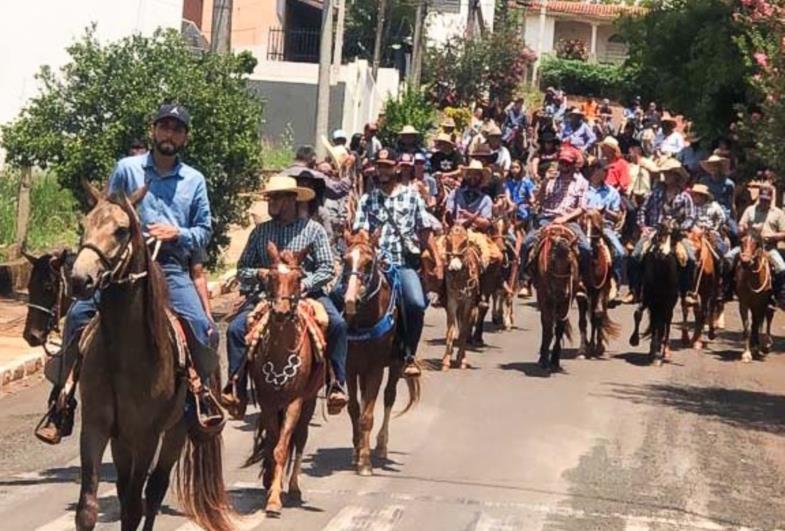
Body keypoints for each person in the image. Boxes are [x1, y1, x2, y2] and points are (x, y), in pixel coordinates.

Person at [36, 103, 215, 444]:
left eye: (177, 129)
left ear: (185, 138)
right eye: (164, 127)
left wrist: (177, 234)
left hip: (170, 267)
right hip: (121, 268)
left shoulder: (195, 180)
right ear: (154, 131)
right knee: (78, 317)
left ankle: (199, 400)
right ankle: (61, 404)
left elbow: (204, 230)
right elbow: (105, 212)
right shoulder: (127, 169)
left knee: (200, 326)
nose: (169, 134)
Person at [224, 175, 348, 418]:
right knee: (235, 330)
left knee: (338, 325)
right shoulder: (260, 232)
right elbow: (242, 269)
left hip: (307, 295)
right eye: (269, 197)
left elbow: (326, 268)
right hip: (266, 296)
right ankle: (235, 388)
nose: (270, 202)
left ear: (292, 200)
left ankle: (336, 384)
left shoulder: (313, 231)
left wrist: (302, 285)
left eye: (276, 197)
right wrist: (260, 274)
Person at [353, 148, 443, 378]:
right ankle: (337, 362)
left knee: (415, 303)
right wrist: (365, 250)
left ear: (397, 168)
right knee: (338, 296)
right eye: (379, 165)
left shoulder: (411, 196)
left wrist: (437, 260)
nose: (383, 170)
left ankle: (409, 355)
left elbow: (424, 231)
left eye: (387, 165)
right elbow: (361, 231)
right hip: (372, 263)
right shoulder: (367, 199)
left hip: (401, 262)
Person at [522, 147, 592, 287]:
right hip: (547, 217)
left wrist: (565, 218)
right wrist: (545, 182)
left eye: (567, 163)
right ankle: (525, 279)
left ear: (573, 164)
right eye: (562, 162)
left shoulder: (582, 182)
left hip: (569, 220)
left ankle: (583, 281)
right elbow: (538, 201)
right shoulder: (551, 178)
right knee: (526, 243)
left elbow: (582, 207)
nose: (564, 166)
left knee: (585, 248)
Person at [629, 159, 696, 304]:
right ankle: (635, 290)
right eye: (664, 173)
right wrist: (643, 227)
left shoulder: (685, 196)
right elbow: (642, 211)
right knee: (635, 255)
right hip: (654, 231)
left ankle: (687, 292)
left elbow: (691, 217)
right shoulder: (655, 193)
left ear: (676, 176)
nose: (665, 176)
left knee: (690, 259)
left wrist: (681, 227)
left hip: (677, 234)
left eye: (669, 173)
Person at [725, 185, 785, 307]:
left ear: (771, 199)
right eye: (762, 199)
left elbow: (784, 233)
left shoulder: (778, 213)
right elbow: (740, 226)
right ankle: (727, 289)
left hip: (767, 247)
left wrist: (772, 236)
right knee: (728, 258)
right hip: (748, 245)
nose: (764, 202)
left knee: (782, 267)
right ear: (759, 198)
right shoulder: (750, 210)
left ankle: (776, 294)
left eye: (767, 200)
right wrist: (743, 228)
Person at [445, 160, 504, 270]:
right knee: (435, 256)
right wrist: (449, 218)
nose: (473, 178)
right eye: (470, 174)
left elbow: (486, 224)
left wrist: (471, 217)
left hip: (476, 233)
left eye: (476, 175)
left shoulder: (486, 199)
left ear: (481, 178)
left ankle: (487, 285)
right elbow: (448, 212)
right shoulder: (455, 193)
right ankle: (437, 285)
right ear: (466, 176)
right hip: (456, 231)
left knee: (496, 256)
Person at [585, 159, 625, 304]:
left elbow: (617, 215)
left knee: (620, 252)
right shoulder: (583, 188)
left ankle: (615, 281)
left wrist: (605, 212)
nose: (607, 173)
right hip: (585, 226)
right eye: (604, 170)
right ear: (595, 170)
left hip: (604, 227)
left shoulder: (612, 192)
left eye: (607, 170)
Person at [684, 183, 728, 302]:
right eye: (694, 195)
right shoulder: (693, 206)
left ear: (703, 196)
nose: (695, 197)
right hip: (695, 232)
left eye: (697, 195)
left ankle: (719, 285)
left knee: (720, 255)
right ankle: (685, 284)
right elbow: (689, 219)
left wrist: (714, 229)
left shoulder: (714, 206)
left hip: (710, 233)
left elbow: (722, 218)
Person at [699, 153, 738, 246]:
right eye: (711, 166)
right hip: (707, 209)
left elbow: (732, 202)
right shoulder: (704, 181)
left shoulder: (729, 184)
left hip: (724, 211)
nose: (713, 168)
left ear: (720, 167)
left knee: (735, 233)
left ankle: (731, 255)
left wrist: (734, 217)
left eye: (715, 166)